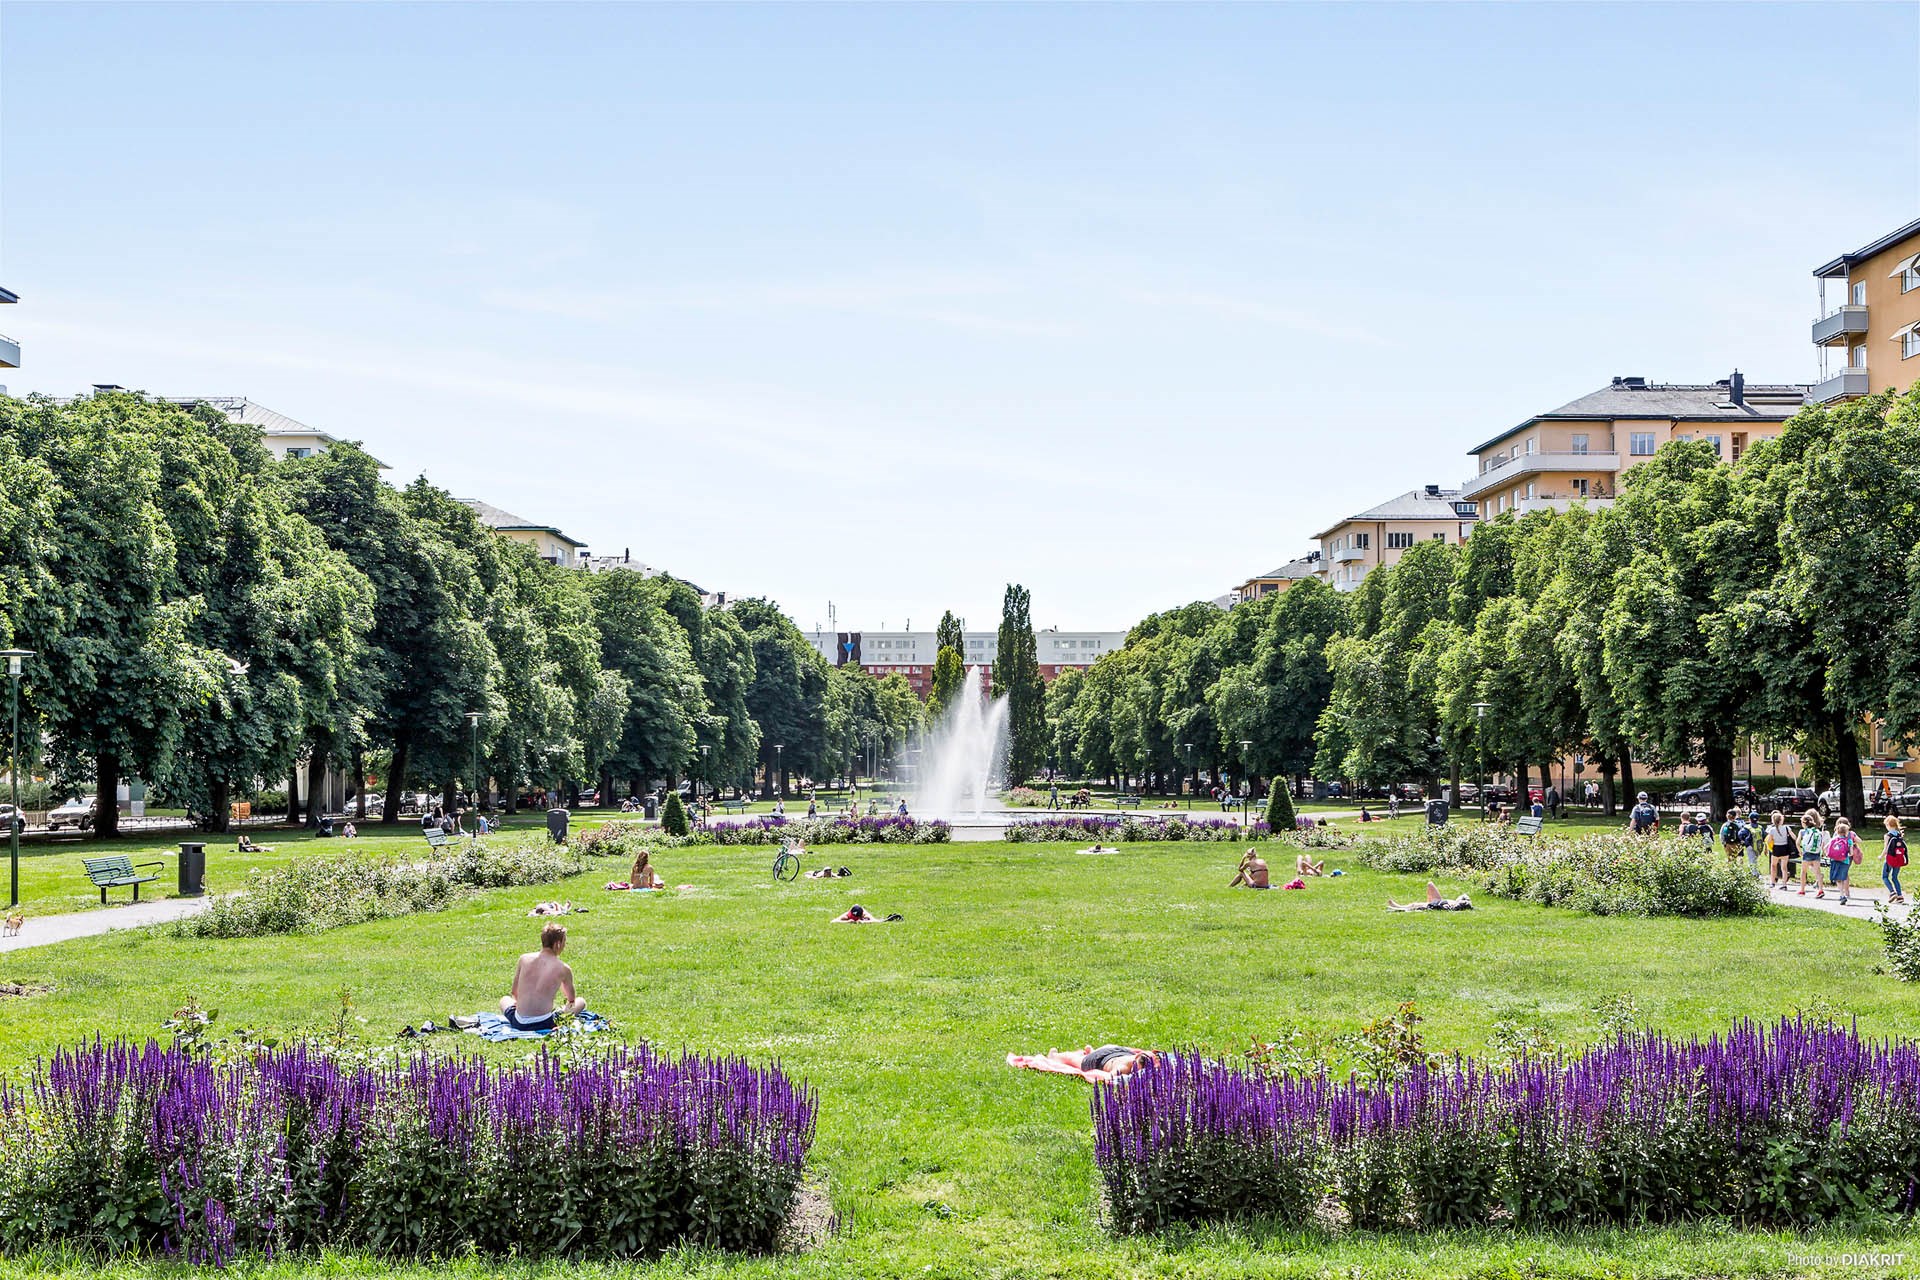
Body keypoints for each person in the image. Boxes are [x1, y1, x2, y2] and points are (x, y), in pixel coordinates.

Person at [501, 923, 586, 1032]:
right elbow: (571, 999)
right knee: (581, 1002)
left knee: (504, 1000)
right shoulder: (563, 968)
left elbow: (514, 992)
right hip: (544, 1023)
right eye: (564, 942)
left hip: (519, 1022)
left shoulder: (524, 959)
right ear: (558, 944)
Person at [1034, 1045, 1156, 1080]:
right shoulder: (1122, 1069)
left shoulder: (1136, 1057)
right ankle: (1054, 1056)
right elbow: (1109, 1077)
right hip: (1098, 1059)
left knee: (1096, 1052)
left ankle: (1091, 1051)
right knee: (1071, 1059)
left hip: (1115, 1050)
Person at [1826, 818, 1864, 906]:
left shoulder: (1836, 835)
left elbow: (1829, 846)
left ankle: (1841, 893)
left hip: (1835, 858)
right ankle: (1847, 891)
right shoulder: (1851, 834)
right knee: (1845, 874)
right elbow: (1860, 841)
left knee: (1839, 876)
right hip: (1846, 858)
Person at [1797, 810, 1827, 897]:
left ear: (1804, 823)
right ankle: (1821, 890)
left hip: (1807, 854)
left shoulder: (1802, 832)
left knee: (1803, 872)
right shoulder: (1817, 831)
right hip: (1816, 853)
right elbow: (1822, 843)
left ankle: (1802, 890)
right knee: (1818, 872)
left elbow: (1798, 843)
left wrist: (1800, 851)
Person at [1764, 810, 1796, 889]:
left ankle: (1772, 882)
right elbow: (1794, 837)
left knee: (1773, 866)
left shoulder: (1772, 830)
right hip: (1785, 848)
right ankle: (1784, 884)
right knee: (1784, 868)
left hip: (1776, 848)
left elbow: (1768, 841)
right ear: (1781, 820)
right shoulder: (1786, 828)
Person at [1386, 882, 1473, 912]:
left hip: (1436, 904)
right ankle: (1399, 907)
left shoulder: (1456, 905)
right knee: (1430, 884)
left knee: (1414, 905)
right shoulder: (1454, 903)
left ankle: (1399, 907)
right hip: (1438, 901)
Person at [1884, 816, 1909, 905]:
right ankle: (1900, 896)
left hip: (1890, 859)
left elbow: (1886, 849)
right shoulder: (1899, 835)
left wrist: (1881, 856)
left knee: (1885, 876)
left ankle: (1892, 892)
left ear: (1888, 825)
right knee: (1895, 877)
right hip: (1898, 859)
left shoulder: (1887, 836)